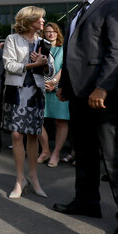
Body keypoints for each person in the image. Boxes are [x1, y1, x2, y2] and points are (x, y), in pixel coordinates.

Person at [54, 0, 118, 234]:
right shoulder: (77, 13)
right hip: (78, 95)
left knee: (114, 159)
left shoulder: (115, 5)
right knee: (85, 153)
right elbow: (72, 54)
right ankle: (86, 202)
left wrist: (102, 87)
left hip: (103, 96)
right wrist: (65, 84)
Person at [1, 6, 52, 199]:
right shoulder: (12, 39)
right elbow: (9, 65)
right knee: (16, 135)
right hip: (16, 91)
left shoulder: (44, 42)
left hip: (36, 92)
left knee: (32, 135)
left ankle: (33, 177)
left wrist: (45, 63)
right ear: (28, 20)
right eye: (39, 19)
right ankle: (19, 180)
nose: (43, 22)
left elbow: (50, 71)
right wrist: (34, 64)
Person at [38, 22, 69, 168]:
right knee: (37, 120)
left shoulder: (64, 48)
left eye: (54, 31)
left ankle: (56, 153)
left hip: (59, 89)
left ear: (58, 33)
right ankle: (45, 150)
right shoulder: (41, 48)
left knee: (61, 122)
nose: (51, 34)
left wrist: (54, 82)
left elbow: (65, 67)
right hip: (41, 88)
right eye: (48, 31)